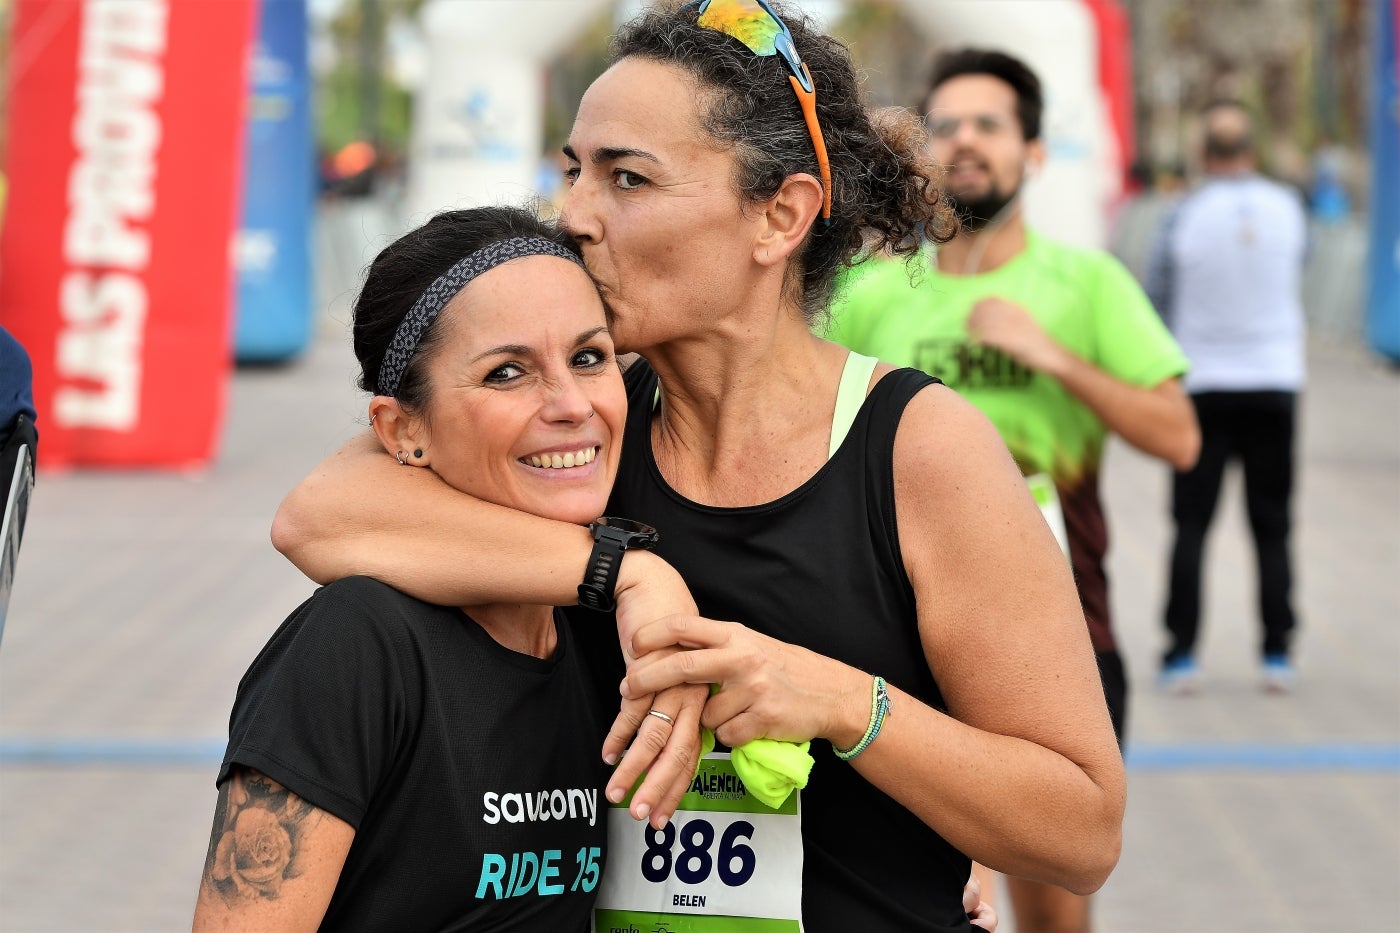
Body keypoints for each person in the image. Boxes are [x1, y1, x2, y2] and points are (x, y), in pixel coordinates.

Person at [274, 4, 1122, 931]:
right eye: (573, 172)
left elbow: (1080, 832)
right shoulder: (583, 432)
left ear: (780, 214)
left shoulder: (918, 447)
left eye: (626, 178)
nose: (575, 218)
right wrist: (631, 573)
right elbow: (318, 516)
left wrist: (845, 705)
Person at [193, 206, 670, 930]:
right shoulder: (356, 643)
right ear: (401, 430)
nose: (573, 405)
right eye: (507, 373)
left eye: (589, 356)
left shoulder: (595, 635)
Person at [827, 48, 1199, 933]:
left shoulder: (1085, 283)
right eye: (945, 124)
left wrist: (1052, 357)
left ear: (1033, 152)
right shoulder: (873, 295)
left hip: (1059, 630)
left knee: (1053, 903)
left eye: (988, 124)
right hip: (897, 630)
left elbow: (1178, 435)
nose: (964, 141)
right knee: (909, 891)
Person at [1146, 99, 1308, 695]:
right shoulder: (1288, 207)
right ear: (1252, 150)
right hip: (1276, 381)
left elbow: (1156, 296)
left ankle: (1181, 654)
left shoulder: (1182, 213)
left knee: (1191, 524)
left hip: (1203, 385)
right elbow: (1302, 267)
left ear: (1204, 154)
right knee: (1272, 524)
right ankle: (1277, 652)